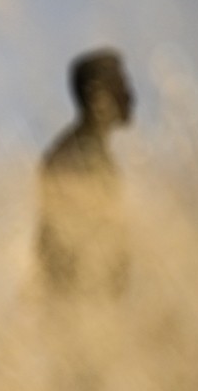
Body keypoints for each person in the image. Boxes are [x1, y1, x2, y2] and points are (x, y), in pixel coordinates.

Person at [36, 48, 135, 300]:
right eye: (120, 85)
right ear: (97, 95)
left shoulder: (94, 152)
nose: (129, 96)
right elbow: (61, 239)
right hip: (80, 296)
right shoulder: (72, 157)